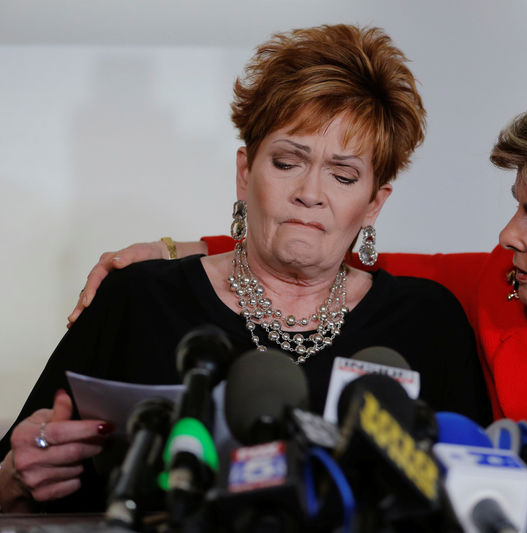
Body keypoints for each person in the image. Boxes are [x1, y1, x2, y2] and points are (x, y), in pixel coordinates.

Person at [0, 24, 491, 513]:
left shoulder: (429, 323)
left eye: (343, 175)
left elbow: (476, 503)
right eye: (286, 163)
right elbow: (12, 474)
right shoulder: (137, 299)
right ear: (244, 172)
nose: (311, 192)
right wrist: (18, 476)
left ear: (373, 204)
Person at [69, 94, 527, 427]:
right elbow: (334, 246)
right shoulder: (499, 284)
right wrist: (180, 251)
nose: (508, 234)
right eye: (517, 205)